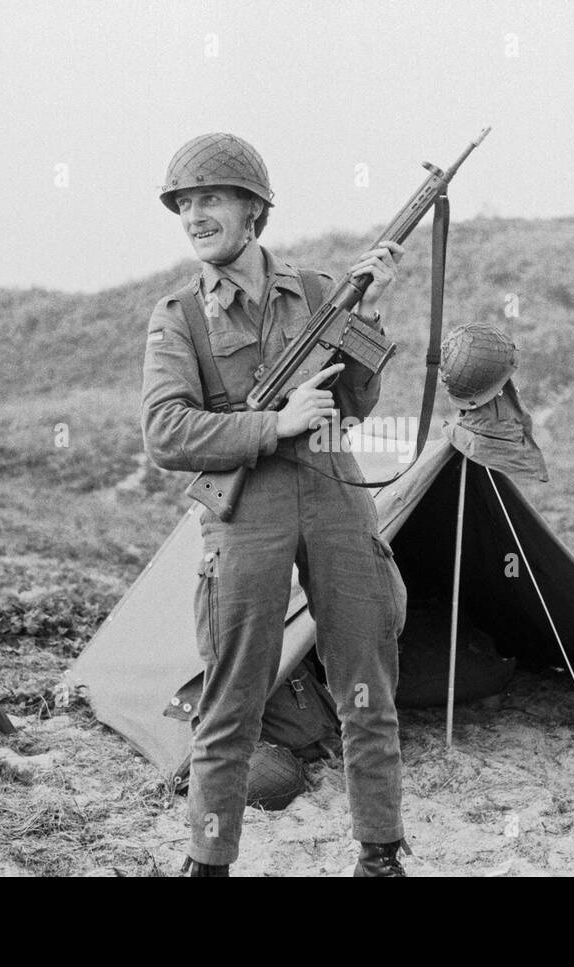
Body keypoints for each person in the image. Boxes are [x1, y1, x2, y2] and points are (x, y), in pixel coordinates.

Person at [140, 132, 410, 877]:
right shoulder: (179, 317)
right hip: (246, 509)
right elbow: (165, 430)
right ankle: (210, 861)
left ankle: (381, 854)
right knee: (233, 698)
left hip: (334, 491)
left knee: (366, 681)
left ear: (253, 211)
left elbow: (355, 400)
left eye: (210, 200)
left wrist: (370, 313)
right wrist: (273, 423)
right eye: (185, 204)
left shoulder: (322, 293)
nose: (194, 215)